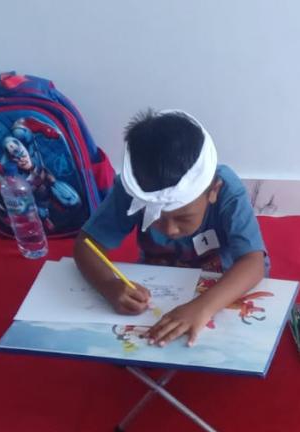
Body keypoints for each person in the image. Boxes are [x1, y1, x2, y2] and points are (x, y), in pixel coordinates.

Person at [74, 109, 267, 346]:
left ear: (213, 191)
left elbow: (253, 263)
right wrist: (109, 286)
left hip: (220, 287)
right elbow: (86, 245)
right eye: (155, 216)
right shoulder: (131, 189)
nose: (170, 230)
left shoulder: (227, 189)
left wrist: (202, 307)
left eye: (183, 218)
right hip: (154, 290)